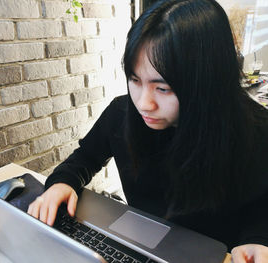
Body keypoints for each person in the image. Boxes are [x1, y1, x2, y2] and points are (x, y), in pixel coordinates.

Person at [27, 0, 268, 262]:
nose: (143, 103)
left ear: (206, 81)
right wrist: (62, 182)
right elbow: (85, 159)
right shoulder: (122, 113)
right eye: (135, 79)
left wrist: (258, 240)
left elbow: (261, 207)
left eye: (162, 88)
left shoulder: (256, 131)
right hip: (142, 248)